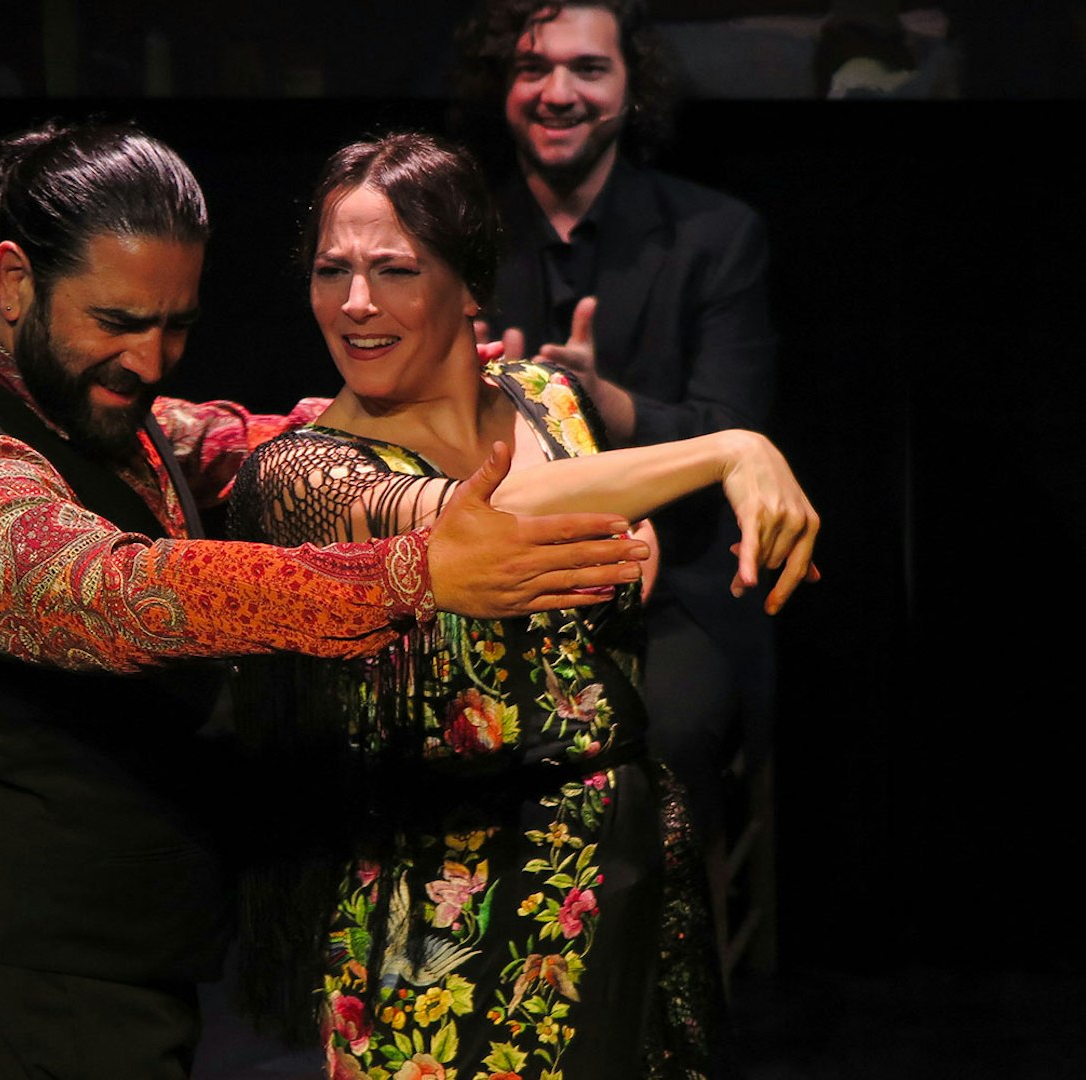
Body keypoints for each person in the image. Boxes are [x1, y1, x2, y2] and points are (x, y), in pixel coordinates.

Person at [0, 118, 658, 1080]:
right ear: (16, 281)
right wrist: (413, 572)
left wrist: (523, 450)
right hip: (12, 1000)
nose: (152, 361)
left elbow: (275, 444)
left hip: (133, 977)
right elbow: (121, 591)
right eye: (119, 323)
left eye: (177, 326)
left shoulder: (102, 403)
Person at [225, 132, 818, 1079]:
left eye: (395, 270)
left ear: (471, 290)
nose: (355, 303)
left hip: (624, 871)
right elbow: (480, 522)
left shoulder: (547, 401)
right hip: (449, 915)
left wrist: (632, 531)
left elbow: (574, 505)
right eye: (331, 269)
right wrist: (731, 448)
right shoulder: (303, 473)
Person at [453, 0, 791, 929]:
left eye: (588, 69)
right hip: (509, 576)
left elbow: (734, 429)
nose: (558, 92)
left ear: (630, 87)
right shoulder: (456, 234)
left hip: (681, 583)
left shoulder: (715, 235)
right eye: (533, 68)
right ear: (504, 87)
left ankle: (643, 996)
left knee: (655, 741)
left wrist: (604, 406)